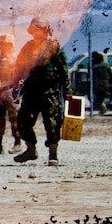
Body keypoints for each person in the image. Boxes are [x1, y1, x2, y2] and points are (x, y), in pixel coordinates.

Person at [14, 16, 70, 167]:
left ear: (46, 30)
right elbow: (19, 67)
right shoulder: (27, 47)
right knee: (23, 121)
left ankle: (53, 155)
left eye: (40, 29)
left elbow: (64, 70)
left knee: (52, 123)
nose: (37, 33)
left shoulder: (54, 46)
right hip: (31, 91)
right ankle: (30, 149)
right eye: (35, 30)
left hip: (50, 92)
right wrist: (15, 84)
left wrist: (68, 91)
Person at [0, 33, 23, 155]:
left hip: (11, 91)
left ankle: (17, 143)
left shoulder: (15, 58)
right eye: (1, 44)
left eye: (5, 44)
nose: (2, 47)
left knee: (15, 119)